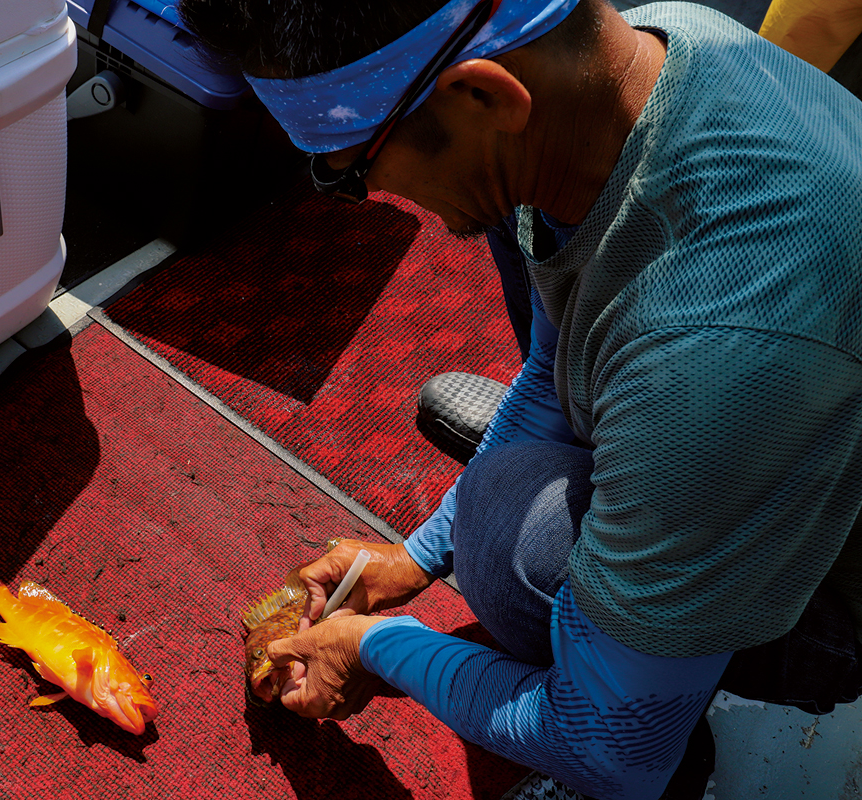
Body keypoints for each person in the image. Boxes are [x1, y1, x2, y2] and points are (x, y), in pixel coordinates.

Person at [176, 0, 862, 797]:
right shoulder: (638, 52)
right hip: (740, 407)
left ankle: (673, 688)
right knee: (510, 224)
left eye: (347, 171)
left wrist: (374, 647)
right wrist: (418, 555)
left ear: (485, 95)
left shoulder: (708, 356)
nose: (369, 193)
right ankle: (639, 489)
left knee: (508, 542)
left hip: (827, 576)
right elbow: (554, 352)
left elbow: (612, 752)